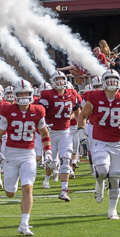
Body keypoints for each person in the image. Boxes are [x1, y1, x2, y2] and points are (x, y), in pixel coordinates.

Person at [0, 80, 50, 236]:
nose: (24, 96)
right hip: (11, 153)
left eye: (26, 93)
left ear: (31, 94)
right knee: (10, 193)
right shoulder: (6, 110)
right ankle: (13, 183)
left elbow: (44, 133)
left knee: (28, 188)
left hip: (28, 153)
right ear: (15, 95)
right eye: (21, 93)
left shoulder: (38, 110)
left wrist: (48, 151)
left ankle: (24, 224)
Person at [77, 70, 120, 221]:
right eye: (108, 80)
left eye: (114, 80)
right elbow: (83, 116)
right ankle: (98, 182)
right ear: (103, 82)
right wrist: (81, 131)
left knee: (115, 178)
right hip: (99, 140)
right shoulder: (94, 96)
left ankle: (112, 209)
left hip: (117, 142)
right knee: (102, 171)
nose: (111, 83)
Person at [37, 72, 79, 200]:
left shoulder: (72, 93)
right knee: (52, 162)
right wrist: (43, 125)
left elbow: (77, 110)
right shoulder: (47, 94)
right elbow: (40, 112)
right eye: (57, 79)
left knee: (66, 158)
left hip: (65, 132)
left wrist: (79, 127)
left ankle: (64, 190)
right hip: (50, 133)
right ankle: (48, 177)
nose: (60, 82)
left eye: (62, 79)